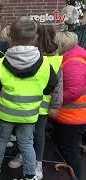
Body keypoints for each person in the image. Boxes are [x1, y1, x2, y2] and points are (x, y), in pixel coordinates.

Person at [0, 16, 58, 180]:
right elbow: (52, 84)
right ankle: (29, 173)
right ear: (35, 37)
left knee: (1, 139)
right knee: (27, 143)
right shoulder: (44, 63)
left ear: (10, 37)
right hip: (30, 113)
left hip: (6, 111)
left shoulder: (1, 61)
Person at [7, 24, 63, 180]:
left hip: (41, 106)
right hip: (25, 104)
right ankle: (22, 154)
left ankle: (37, 162)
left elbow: (58, 84)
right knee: (23, 133)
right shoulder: (29, 56)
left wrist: (55, 104)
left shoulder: (53, 60)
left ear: (37, 37)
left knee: (38, 134)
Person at [53, 31, 86, 180]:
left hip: (72, 117)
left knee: (70, 151)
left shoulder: (73, 61)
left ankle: (76, 177)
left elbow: (74, 91)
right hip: (73, 116)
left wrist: (54, 100)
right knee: (67, 148)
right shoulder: (74, 56)